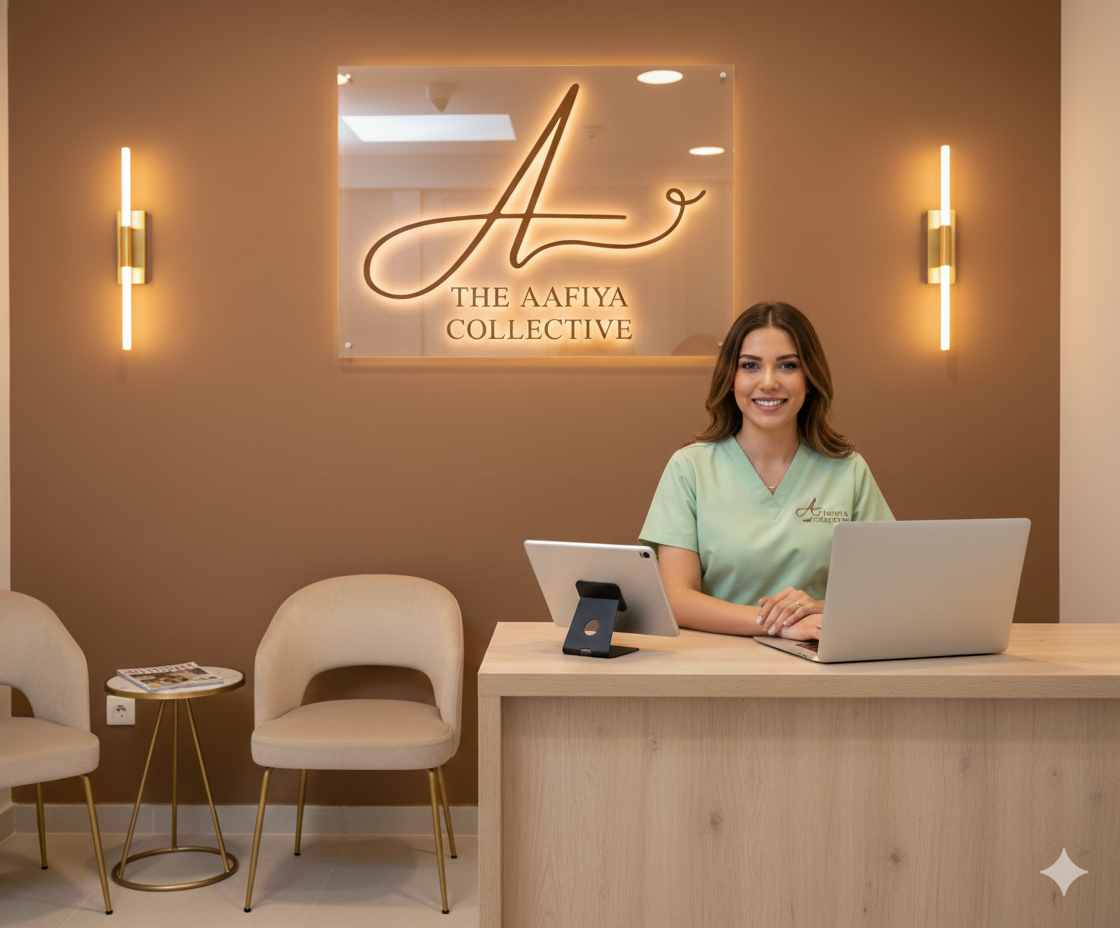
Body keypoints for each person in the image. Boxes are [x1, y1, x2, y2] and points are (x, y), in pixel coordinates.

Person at [639, 302, 893, 641]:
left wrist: (817, 608)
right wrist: (780, 623)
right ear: (731, 378)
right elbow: (676, 598)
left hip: (821, 661)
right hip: (715, 666)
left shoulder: (848, 470)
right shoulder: (689, 469)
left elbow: (886, 590)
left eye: (788, 365)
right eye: (751, 366)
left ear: (809, 379)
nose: (769, 382)